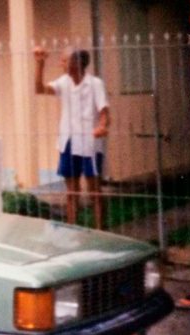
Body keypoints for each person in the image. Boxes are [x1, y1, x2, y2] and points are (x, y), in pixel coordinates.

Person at [34, 46, 110, 229]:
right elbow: (40, 89)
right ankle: (72, 230)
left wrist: (102, 127)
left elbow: (104, 113)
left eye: (64, 60)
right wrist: (40, 64)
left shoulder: (95, 84)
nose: (61, 63)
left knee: (94, 191)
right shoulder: (64, 82)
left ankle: (101, 232)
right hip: (68, 141)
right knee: (72, 191)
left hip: (90, 143)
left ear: (76, 63)